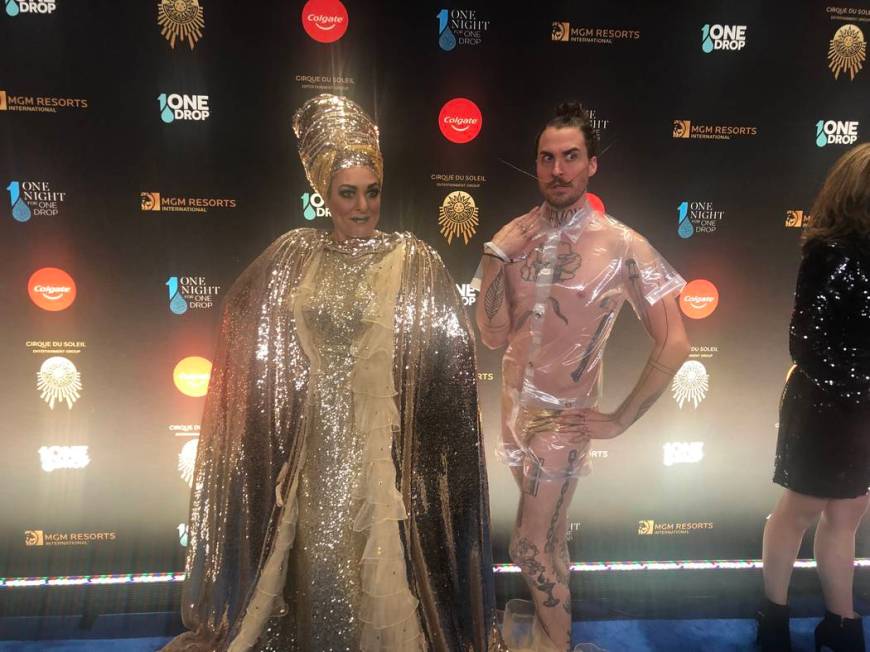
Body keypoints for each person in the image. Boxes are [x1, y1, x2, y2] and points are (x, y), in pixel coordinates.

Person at [163, 94, 500, 652]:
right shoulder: (297, 254)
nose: (363, 206)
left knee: (382, 561)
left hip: (387, 445)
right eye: (348, 193)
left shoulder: (413, 258)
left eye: (372, 192)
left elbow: (448, 359)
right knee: (322, 561)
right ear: (324, 194)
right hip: (316, 440)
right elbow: (246, 317)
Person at [475, 102, 690, 652]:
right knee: (546, 540)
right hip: (513, 418)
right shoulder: (518, 237)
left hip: (561, 422)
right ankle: (556, 637)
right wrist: (497, 257)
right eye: (547, 158)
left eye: (571, 157)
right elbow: (494, 335)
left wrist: (619, 419)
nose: (558, 170)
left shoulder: (622, 245)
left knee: (526, 546)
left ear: (591, 164)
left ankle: (556, 646)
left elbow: (675, 340)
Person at [757, 143, 870, 652]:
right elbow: (807, 342)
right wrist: (861, 391)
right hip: (826, 405)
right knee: (798, 511)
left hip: (865, 410)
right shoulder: (828, 252)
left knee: (848, 516)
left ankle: (841, 620)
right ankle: (773, 615)